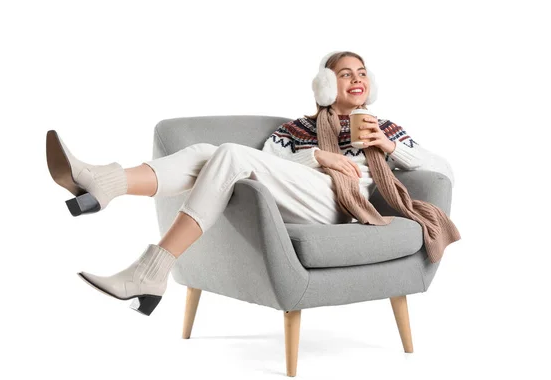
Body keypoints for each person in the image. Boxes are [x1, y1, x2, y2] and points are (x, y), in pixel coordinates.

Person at [46, 50, 455, 316]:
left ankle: (136, 244)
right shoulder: (301, 127)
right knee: (211, 151)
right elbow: (271, 158)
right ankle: (107, 184)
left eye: (362, 73)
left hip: (344, 204)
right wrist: (317, 154)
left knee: (229, 153)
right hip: (301, 192)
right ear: (326, 86)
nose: (356, 79)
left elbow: (439, 170)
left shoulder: (385, 127)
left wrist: (388, 146)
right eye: (345, 74)